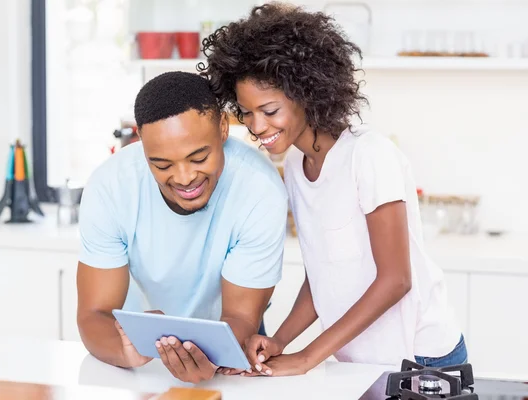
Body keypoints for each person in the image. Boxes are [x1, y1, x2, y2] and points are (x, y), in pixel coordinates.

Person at [199, 3, 467, 377]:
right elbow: (325, 274)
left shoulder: (368, 155)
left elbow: (396, 280)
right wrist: (280, 341)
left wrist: (308, 358)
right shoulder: (295, 164)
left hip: (420, 357)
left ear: (306, 94)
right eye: (246, 112)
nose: (257, 126)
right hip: (360, 362)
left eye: (270, 110)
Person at [76, 71, 288, 383]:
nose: (185, 178)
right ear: (142, 145)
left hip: (231, 348)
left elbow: (242, 316)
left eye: (199, 157)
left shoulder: (259, 189)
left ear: (223, 129)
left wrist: (213, 359)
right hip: (140, 360)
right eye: (162, 165)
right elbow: (93, 315)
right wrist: (126, 351)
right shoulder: (111, 186)